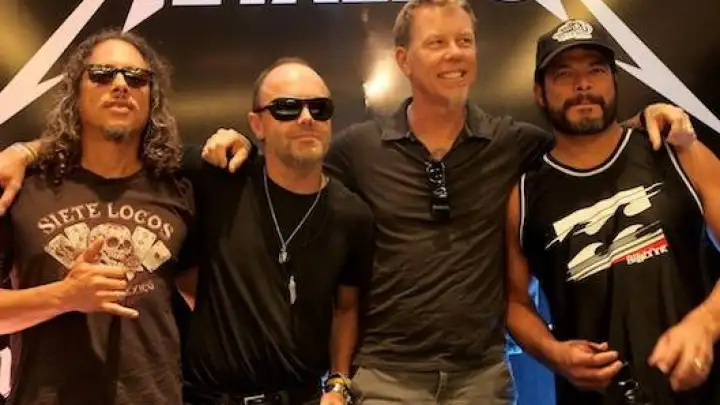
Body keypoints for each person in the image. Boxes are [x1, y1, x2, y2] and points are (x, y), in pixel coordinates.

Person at [197, 2, 695, 404]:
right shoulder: (357, 149)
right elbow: (294, 165)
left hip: (482, 379)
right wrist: (244, 144)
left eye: (464, 41)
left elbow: (589, 143)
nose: (455, 54)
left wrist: (647, 118)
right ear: (403, 60)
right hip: (384, 379)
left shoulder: (514, 143)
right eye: (436, 43)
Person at [505, 19, 720, 405]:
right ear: (539, 92)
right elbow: (514, 302)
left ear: (615, 81)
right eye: (564, 74)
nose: (583, 85)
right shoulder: (523, 197)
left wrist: (707, 322)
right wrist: (553, 354)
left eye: (596, 70)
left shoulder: (675, 151)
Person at [0, 29, 195, 405]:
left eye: (136, 78)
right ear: (76, 91)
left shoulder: (179, 190)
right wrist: (63, 296)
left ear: (151, 97)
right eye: (102, 74)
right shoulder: (23, 189)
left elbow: (205, 298)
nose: (121, 85)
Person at [176, 57, 374, 405]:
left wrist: (339, 381)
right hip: (208, 397)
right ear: (258, 124)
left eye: (319, 108)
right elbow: (138, 156)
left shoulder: (352, 215)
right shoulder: (221, 180)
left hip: (300, 397)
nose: (307, 118)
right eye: (286, 108)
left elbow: (345, 308)